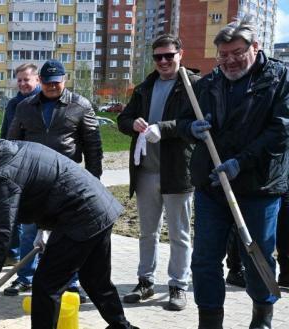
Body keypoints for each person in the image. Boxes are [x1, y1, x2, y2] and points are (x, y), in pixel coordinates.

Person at [0, 139, 138, 329]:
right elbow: (39, 186)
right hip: (98, 205)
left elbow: (1, 234)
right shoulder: (1, 154)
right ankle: (121, 327)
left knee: (46, 286)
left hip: (80, 214)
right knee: (96, 281)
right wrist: (43, 227)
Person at [177, 18, 288, 328]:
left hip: (259, 186)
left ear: (255, 47)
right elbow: (183, 122)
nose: (229, 60)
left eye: (236, 52)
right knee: (204, 259)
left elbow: (281, 131)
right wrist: (191, 129)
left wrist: (241, 161)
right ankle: (209, 320)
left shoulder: (280, 79)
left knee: (258, 257)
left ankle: (262, 317)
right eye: (222, 55)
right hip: (212, 187)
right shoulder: (208, 84)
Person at [4, 59, 101, 301]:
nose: (51, 87)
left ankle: (71, 281)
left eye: (56, 83)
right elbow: (12, 143)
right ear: (41, 82)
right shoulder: (25, 107)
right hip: (34, 179)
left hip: (68, 180)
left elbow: (93, 144)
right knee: (29, 231)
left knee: (68, 233)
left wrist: (94, 178)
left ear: (64, 81)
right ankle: (25, 277)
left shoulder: (80, 105)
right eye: (47, 83)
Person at [116, 34, 197, 311]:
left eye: (168, 55)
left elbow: (196, 122)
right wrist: (133, 123)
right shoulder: (144, 87)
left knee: (179, 234)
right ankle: (145, 281)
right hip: (146, 172)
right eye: (158, 57)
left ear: (180, 54)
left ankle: (178, 285)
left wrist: (164, 127)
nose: (163, 61)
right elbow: (123, 120)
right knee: (147, 232)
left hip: (177, 172)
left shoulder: (192, 85)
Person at [0, 63, 42, 270]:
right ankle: (14, 255)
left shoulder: (43, 100)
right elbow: (6, 133)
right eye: (19, 80)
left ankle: (33, 264)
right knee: (15, 213)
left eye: (26, 79)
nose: (23, 83)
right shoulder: (13, 104)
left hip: (39, 166)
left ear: (37, 80)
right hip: (16, 165)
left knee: (33, 221)